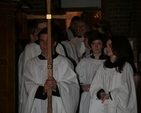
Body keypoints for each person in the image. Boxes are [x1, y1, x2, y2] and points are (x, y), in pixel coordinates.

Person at [19, 28, 80, 113]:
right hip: (38, 106)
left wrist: (56, 86)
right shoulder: (31, 64)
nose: (45, 45)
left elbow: (73, 87)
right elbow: (27, 85)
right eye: (42, 41)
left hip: (59, 106)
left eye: (48, 41)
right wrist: (43, 89)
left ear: (54, 43)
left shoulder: (65, 62)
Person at [89, 36, 138, 113]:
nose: (107, 48)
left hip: (119, 108)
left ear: (118, 47)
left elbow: (127, 89)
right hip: (105, 106)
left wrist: (110, 95)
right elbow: (95, 84)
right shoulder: (103, 66)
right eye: (107, 45)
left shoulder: (126, 66)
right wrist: (101, 94)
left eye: (110, 46)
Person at [76, 31, 107, 113]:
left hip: (103, 95)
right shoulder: (84, 62)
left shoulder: (107, 62)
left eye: (99, 43)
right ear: (90, 45)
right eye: (93, 43)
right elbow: (75, 80)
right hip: (87, 96)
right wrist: (82, 87)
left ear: (103, 45)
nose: (96, 46)